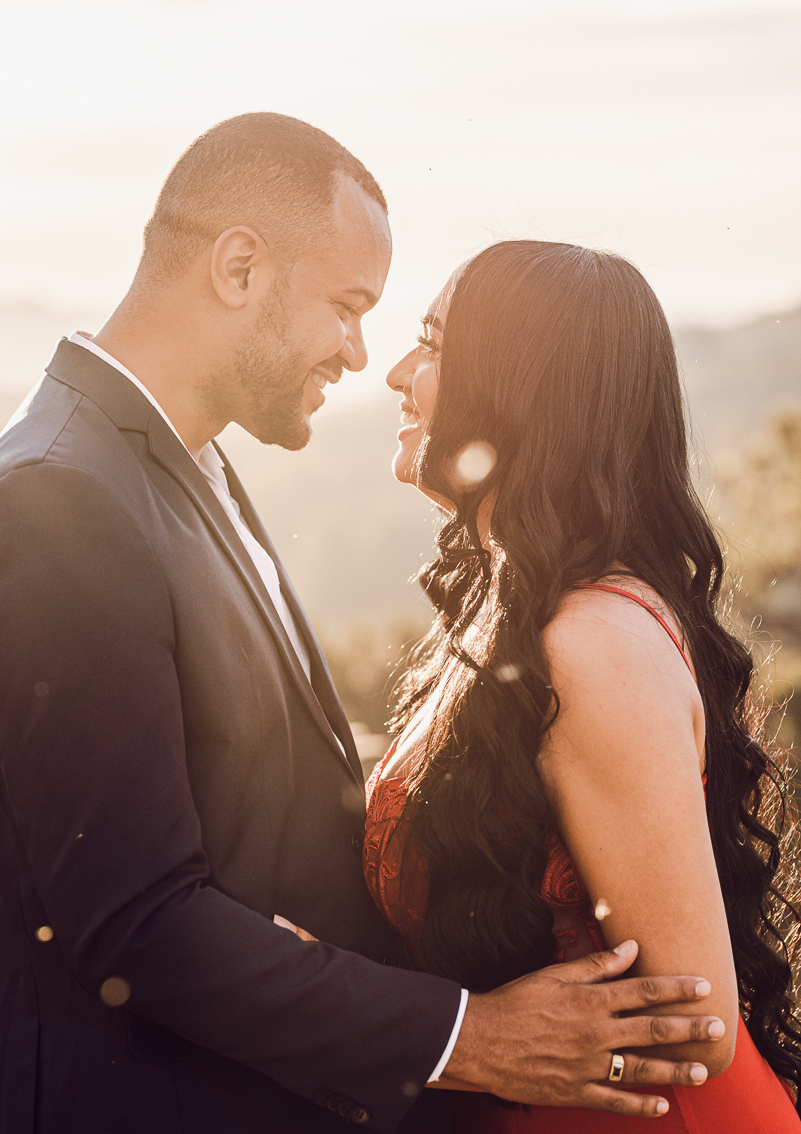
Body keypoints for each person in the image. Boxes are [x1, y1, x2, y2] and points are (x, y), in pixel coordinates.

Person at [0, 117, 723, 1134]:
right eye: (347, 307)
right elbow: (137, 918)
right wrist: (467, 1037)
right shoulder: (62, 494)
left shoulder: (187, 467)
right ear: (239, 268)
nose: (360, 352)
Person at [369, 239, 801, 1131]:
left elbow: (695, 1025)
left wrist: (448, 1039)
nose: (398, 374)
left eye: (434, 344)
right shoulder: (524, 617)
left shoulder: (590, 646)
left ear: (519, 392)